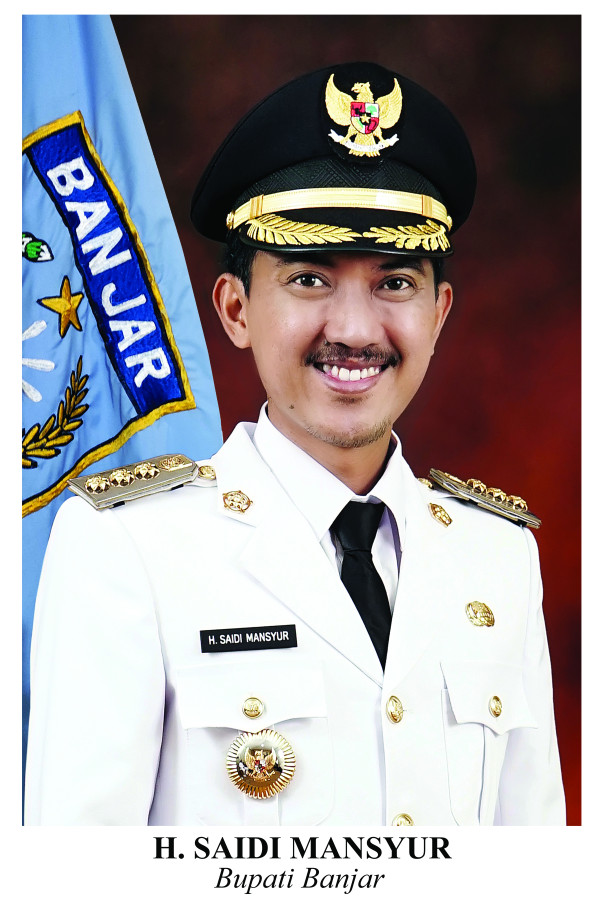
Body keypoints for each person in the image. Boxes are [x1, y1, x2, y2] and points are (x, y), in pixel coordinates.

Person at [24, 62, 565, 825]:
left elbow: (531, 865)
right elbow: (80, 869)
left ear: (440, 313)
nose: (355, 329)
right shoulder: (130, 548)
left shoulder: (498, 555)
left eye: (396, 282)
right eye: (310, 279)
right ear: (236, 310)